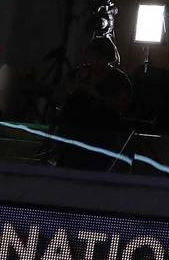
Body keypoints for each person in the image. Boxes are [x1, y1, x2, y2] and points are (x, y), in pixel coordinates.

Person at [55, 37, 133, 170]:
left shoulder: (118, 79)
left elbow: (123, 104)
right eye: (90, 56)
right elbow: (58, 95)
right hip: (72, 130)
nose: (92, 61)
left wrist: (96, 94)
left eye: (97, 58)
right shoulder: (78, 74)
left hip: (101, 132)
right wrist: (74, 87)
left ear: (106, 58)